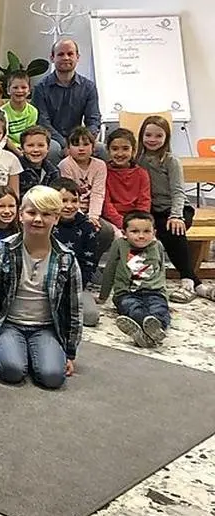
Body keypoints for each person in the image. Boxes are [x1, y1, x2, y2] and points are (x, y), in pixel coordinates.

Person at [0, 185, 82, 389]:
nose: (38, 219)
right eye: (31, 213)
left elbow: (74, 309)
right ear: (21, 215)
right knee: (12, 371)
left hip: (45, 327)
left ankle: (37, 352)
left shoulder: (66, 258)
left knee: (53, 377)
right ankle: (11, 350)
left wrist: (69, 352)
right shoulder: (4, 250)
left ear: (56, 218)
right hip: (9, 323)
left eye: (46, 214)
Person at [137, 115, 215, 302]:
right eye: (148, 135)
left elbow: (179, 192)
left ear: (166, 138)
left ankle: (187, 281)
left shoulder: (171, 161)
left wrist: (176, 215)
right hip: (153, 210)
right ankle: (197, 285)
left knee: (173, 229)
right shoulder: (138, 160)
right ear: (141, 136)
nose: (152, 140)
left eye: (158, 136)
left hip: (177, 208)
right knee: (154, 230)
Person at [99, 211, 171, 348]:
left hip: (154, 291)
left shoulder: (158, 246)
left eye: (146, 231)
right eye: (135, 231)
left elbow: (161, 270)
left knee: (159, 308)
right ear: (124, 233)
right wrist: (104, 295)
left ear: (154, 232)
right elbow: (110, 269)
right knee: (131, 307)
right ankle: (145, 326)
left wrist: (164, 294)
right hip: (126, 292)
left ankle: (155, 330)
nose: (141, 236)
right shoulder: (120, 245)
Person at [34, 38, 104, 163]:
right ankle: (56, 182)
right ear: (52, 58)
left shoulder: (88, 87)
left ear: (77, 57)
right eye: (60, 54)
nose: (66, 58)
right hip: (52, 139)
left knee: (103, 150)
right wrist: (65, 144)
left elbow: (93, 119)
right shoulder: (41, 88)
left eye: (70, 54)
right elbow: (43, 122)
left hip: (79, 138)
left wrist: (83, 142)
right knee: (53, 150)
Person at [58, 125, 116, 266]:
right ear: (68, 148)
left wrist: (93, 217)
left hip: (92, 213)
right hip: (71, 211)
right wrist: (81, 218)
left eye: (86, 144)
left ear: (93, 146)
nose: (81, 148)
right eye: (76, 144)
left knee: (108, 231)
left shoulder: (100, 165)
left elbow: (98, 192)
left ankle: (91, 264)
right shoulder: (65, 165)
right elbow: (69, 194)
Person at [50, 178, 101, 327]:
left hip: (75, 285)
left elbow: (89, 262)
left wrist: (77, 285)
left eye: (74, 201)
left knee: (91, 317)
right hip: (46, 285)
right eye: (63, 201)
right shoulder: (46, 223)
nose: (69, 206)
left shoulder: (87, 227)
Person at [101, 128, 151, 230]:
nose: (120, 154)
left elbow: (144, 203)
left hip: (137, 221)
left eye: (125, 148)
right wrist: (122, 224)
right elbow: (106, 205)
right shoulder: (103, 172)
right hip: (111, 221)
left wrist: (136, 222)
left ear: (133, 150)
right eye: (115, 149)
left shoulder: (142, 174)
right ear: (108, 150)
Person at [2, 71, 39, 153]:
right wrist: (16, 150)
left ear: (29, 91)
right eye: (15, 87)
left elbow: (30, 134)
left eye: (23, 87)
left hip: (27, 146)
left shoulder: (33, 111)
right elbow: (4, 137)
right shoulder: (2, 112)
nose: (19, 90)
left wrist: (26, 148)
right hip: (8, 147)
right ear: (8, 90)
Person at [17, 126, 59, 198]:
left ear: (48, 148)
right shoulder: (16, 168)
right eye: (30, 145)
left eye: (41, 145)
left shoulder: (53, 171)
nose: (36, 150)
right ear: (22, 148)